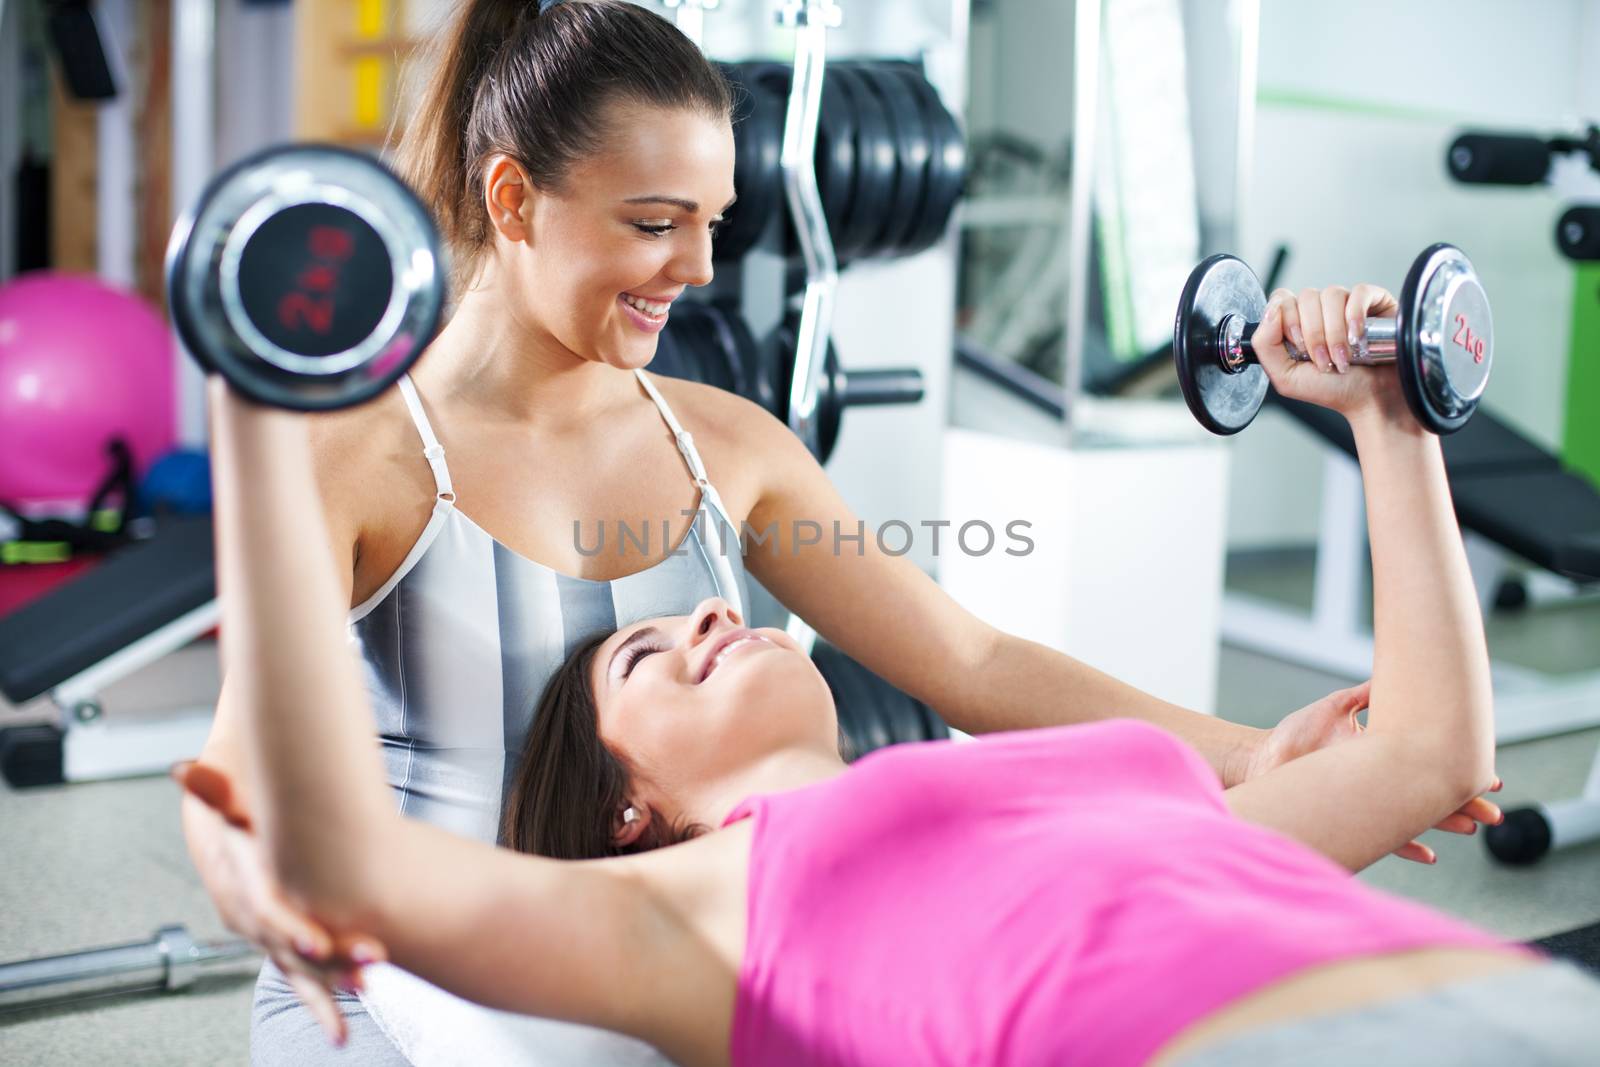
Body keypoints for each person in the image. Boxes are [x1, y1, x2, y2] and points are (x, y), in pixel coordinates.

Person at [178, 1, 1500, 1059]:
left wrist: (1250, 752)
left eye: (713, 222)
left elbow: (970, 667)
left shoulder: (724, 443)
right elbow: (246, 767)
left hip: (700, 944)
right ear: (515, 200)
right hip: (417, 978)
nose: (697, 269)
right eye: (654, 223)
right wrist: (263, 874)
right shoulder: (355, 449)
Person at [177, 277, 1599, 1067]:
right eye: (652, 658)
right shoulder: (681, 914)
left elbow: (1425, 760)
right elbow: (341, 854)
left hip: (1479, 994)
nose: (702, 621)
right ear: (627, 810)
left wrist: (1388, 417)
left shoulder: (1061, 784)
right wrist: (271, 425)